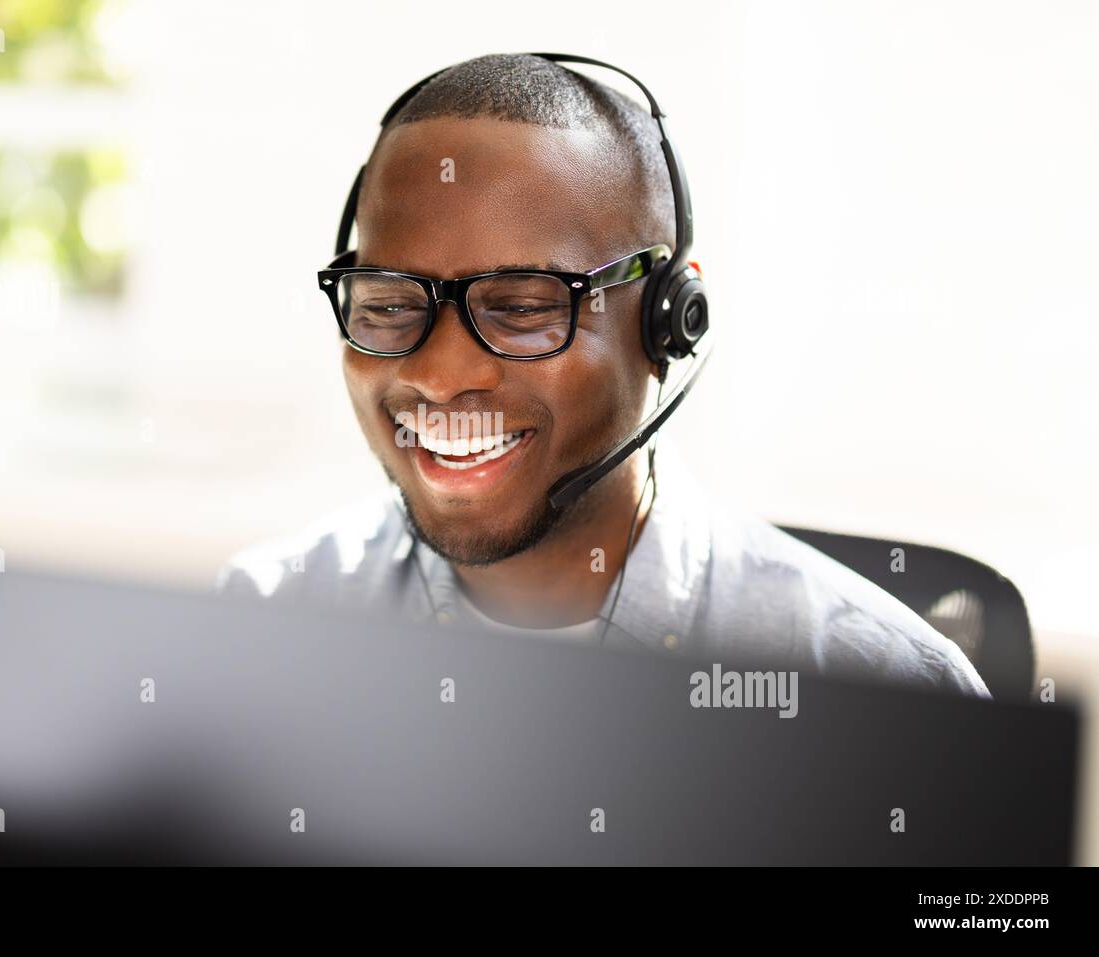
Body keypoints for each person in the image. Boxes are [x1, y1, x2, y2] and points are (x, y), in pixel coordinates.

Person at [218, 53, 989, 699]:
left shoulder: (880, 687)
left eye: (522, 305)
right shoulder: (256, 630)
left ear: (667, 320)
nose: (442, 374)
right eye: (388, 302)